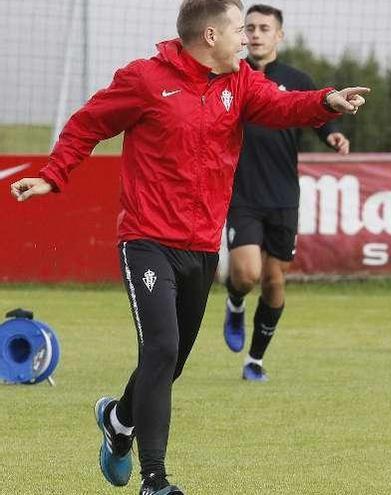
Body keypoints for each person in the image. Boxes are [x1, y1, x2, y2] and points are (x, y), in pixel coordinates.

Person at [9, 0, 368, 493]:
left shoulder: (241, 82)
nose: (248, 40)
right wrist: (54, 175)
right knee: (160, 347)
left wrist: (326, 101)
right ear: (211, 38)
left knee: (170, 361)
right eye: (240, 30)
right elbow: (88, 124)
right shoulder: (143, 79)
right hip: (146, 240)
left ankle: (117, 424)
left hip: (201, 245)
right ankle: (155, 480)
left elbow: (283, 107)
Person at [222, 4, 351, 382]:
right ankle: (234, 301)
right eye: (250, 27)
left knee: (274, 280)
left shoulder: (296, 78)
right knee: (246, 273)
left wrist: (333, 136)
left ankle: (255, 360)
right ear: (242, 35)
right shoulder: (231, 76)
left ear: (279, 35)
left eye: (265, 28)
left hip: (282, 196)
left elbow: (318, 113)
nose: (256, 34)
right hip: (242, 193)